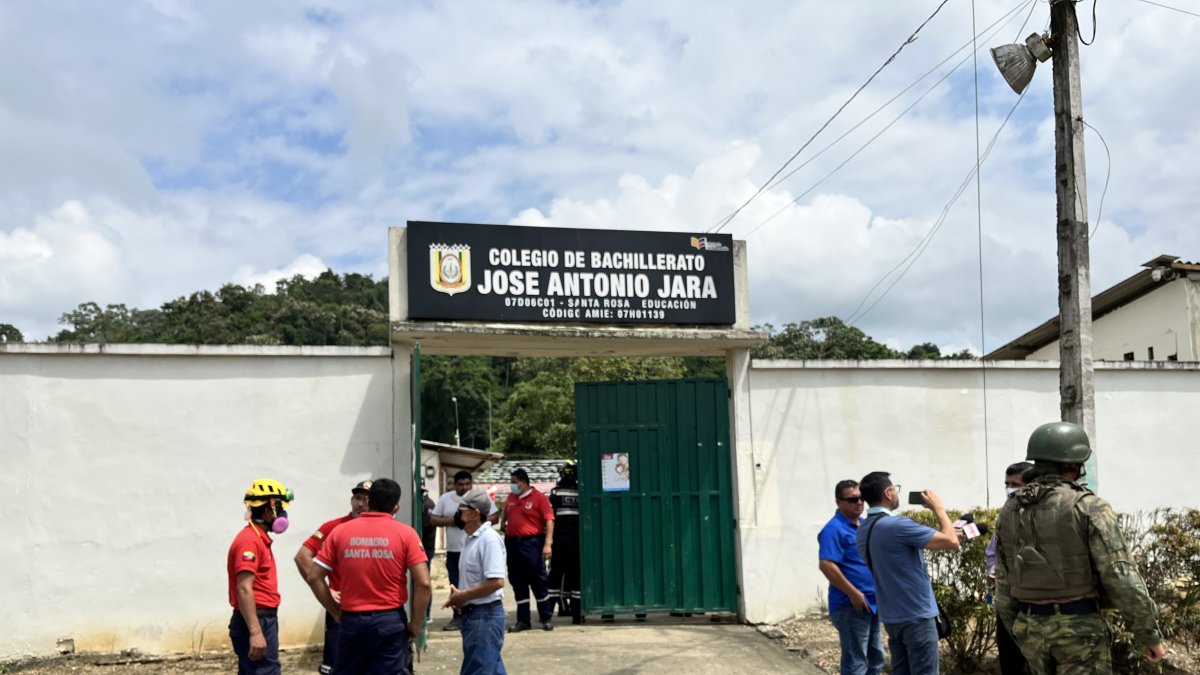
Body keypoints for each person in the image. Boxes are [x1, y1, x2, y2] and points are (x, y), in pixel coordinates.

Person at [995, 422, 1166, 674]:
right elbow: (1120, 576)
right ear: (1073, 466)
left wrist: (1018, 629)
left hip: (1029, 629)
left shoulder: (1010, 509)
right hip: (1079, 630)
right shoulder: (1088, 506)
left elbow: (1003, 581)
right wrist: (1148, 633)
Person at [304, 477, 431, 675]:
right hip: (390, 621)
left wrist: (336, 613)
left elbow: (314, 577)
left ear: (369, 502)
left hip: (352, 621)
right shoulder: (407, 534)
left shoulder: (340, 532)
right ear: (396, 507)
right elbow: (423, 583)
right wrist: (415, 625)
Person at [855, 471, 959, 675]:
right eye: (895, 489)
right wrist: (938, 508)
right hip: (916, 616)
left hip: (893, 616)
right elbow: (951, 541)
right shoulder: (896, 525)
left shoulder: (863, 529)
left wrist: (949, 534)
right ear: (888, 493)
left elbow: (900, 553)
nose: (897, 493)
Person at [293, 480, 370, 675]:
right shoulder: (333, 527)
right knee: (336, 668)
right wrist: (326, 591)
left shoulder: (381, 529)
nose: (360, 504)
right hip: (341, 610)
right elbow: (302, 557)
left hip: (372, 611)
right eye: (357, 498)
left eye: (366, 499)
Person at [227, 478, 294, 675]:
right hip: (256, 619)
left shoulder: (257, 538)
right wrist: (256, 632)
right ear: (268, 511)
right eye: (279, 508)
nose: (283, 514)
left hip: (261, 618)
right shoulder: (249, 541)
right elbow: (244, 588)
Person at [818, 479, 884, 675]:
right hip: (851, 605)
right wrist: (853, 593)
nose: (859, 503)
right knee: (856, 662)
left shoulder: (864, 525)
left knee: (875, 658)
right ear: (839, 502)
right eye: (853, 499)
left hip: (871, 603)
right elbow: (827, 565)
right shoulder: (834, 529)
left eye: (861, 498)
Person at [443, 488, 509, 674]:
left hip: (485, 616)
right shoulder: (470, 539)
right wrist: (460, 597)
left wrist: (464, 595)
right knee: (489, 668)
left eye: (462, 510)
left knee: (478, 669)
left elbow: (497, 582)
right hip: (474, 615)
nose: (458, 514)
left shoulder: (488, 540)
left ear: (475, 514)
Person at [431, 471, 500, 631]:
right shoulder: (445, 498)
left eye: (467, 484)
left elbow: (495, 517)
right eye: (460, 484)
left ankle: (476, 613)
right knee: (456, 583)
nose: (464, 487)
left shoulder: (481, 498)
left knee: (478, 582)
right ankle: (458, 616)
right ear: (454, 485)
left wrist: (474, 521)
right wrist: (453, 521)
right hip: (455, 549)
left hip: (475, 547)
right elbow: (433, 519)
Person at [984, 463, 1032, 675]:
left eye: (1015, 484)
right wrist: (993, 570)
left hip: (1035, 606)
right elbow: (992, 551)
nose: (1010, 489)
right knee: (1011, 662)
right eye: (1007, 484)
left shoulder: (1045, 515)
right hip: (1007, 603)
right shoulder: (1006, 514)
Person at [500, 467, 555, 632]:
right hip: (513, 543)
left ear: (523, 483)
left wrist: (547, 544)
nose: (512, 486)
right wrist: (503, 523)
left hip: (532, 543)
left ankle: (546, 617)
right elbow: (505, 510)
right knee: (518, 581)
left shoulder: (538, 498)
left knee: (538, 580)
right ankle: (523, 620)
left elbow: (549, 521)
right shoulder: (511, 497)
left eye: (514, 483)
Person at [547, 460, 582, 624]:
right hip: (577, 542)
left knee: (555, 577)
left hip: (560, 541)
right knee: (576, 578)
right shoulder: (582, 492)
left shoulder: (556, 494)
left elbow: (550, 518)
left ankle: (547, 614)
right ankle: (577, 615)